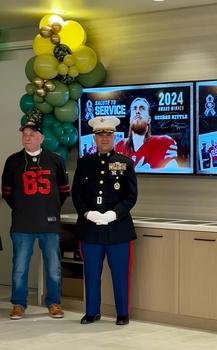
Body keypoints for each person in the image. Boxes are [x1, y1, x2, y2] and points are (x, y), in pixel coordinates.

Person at [1, 113, 70, 320]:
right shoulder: (13, 161)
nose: (27, 138)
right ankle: (19, 304)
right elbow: (7, 192)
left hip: (49, 223)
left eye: (31, 134)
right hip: (22, 223)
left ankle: (54, 303)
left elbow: (64, 191)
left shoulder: (55, 160)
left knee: (53, 266)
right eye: (24, 134)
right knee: (20, 267)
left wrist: (49, 209)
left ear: (41, 137)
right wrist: (23, 208)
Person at [72, 116, 138, 326]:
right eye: (100, 135)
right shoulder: (84, 163)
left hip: (118, 228)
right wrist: (87, 213)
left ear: (114, 137)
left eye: (108, 135)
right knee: (91, 273)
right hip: (90, 229)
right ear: (94, 138)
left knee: (120, 274)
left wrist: (113, 214)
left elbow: (131, 196)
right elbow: (76, 194)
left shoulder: (125, 163)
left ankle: (122, 313)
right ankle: (92, 312)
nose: (104, 139)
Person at [114, 97, 178, 169]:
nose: (137, 111)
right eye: (135, 108)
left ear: (149, 120)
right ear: (130, 119)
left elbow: (173, 171)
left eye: (142, 108)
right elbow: (113, 172)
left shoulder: (163, 143)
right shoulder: (120, 146)